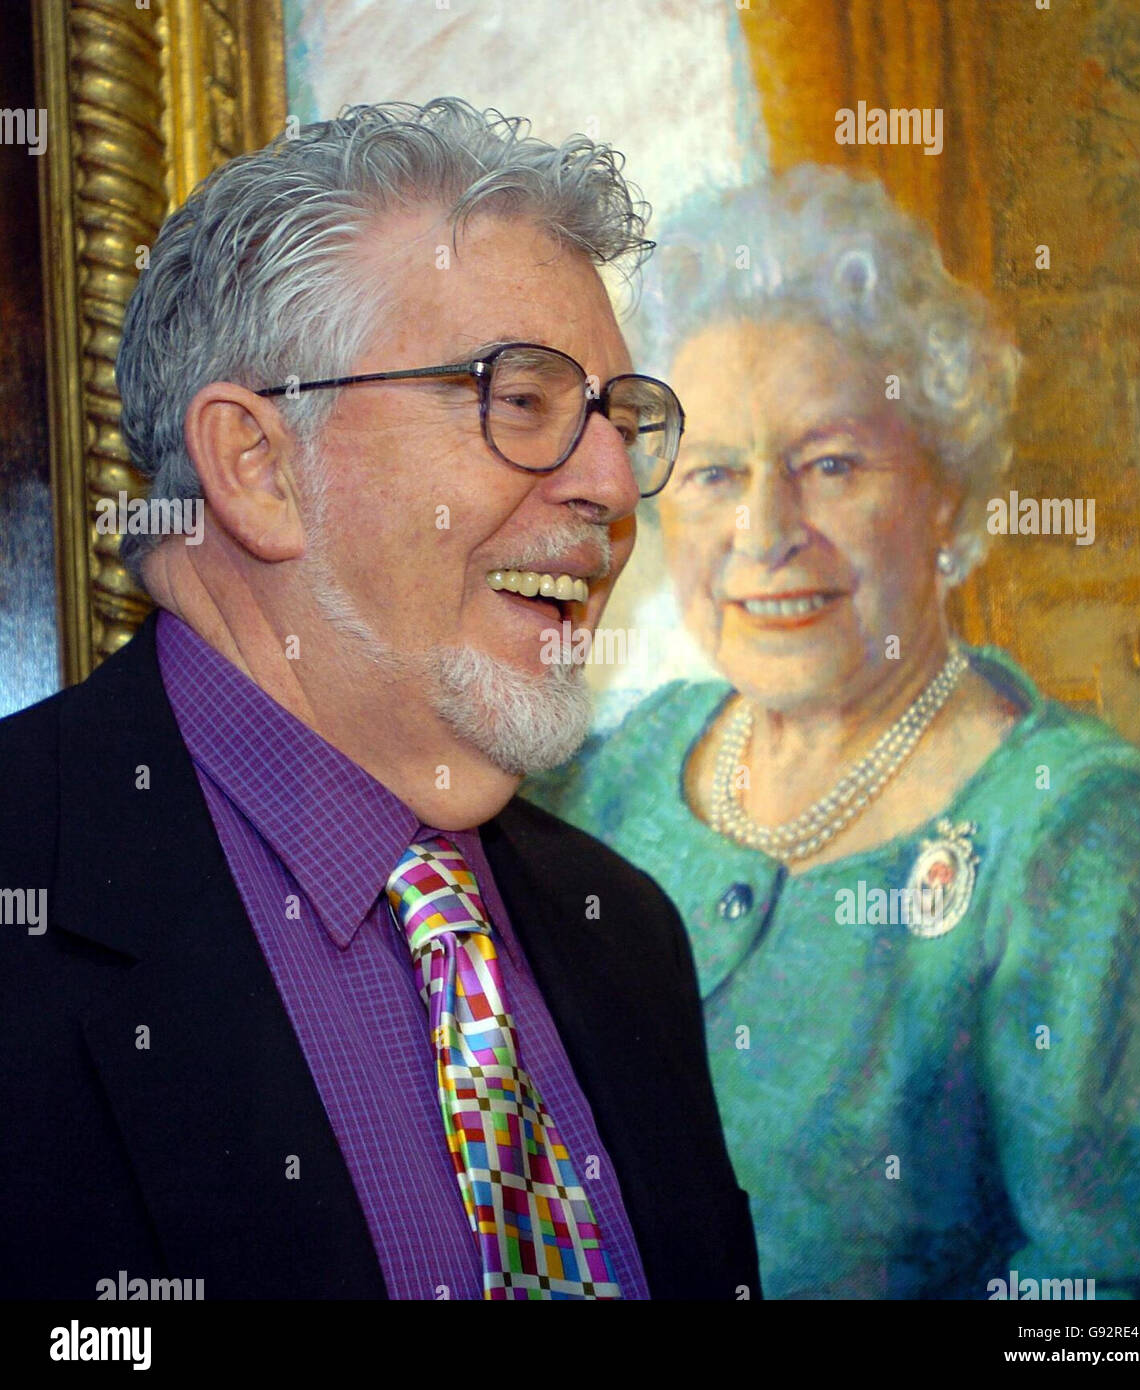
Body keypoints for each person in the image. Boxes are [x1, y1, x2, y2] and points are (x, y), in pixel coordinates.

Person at [0, 99, 760, 1301]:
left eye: (620, 421)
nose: (613, 485)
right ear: (259, 466)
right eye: (522, 400)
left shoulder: (624, 934)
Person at [525, 167, 1140, 1299]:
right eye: (718, 474)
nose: (766, 532)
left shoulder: (1078, 835)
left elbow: (1105, 1302)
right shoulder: (610, 778)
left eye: (831, 464)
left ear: (943, 491)